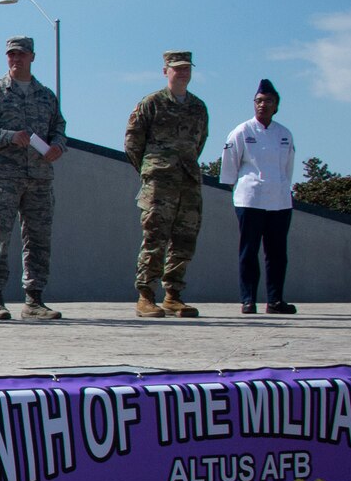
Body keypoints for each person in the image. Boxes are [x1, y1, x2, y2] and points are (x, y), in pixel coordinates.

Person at [0, 35, 66, 321]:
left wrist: (58, 145)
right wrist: (10, 137)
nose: (16, 60)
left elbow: (58, 127)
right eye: (11, 55)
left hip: (39, 177)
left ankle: (34, 300)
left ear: (32, 57)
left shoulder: (46, 95)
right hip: (4, 176)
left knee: (38, 238)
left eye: (21, 55)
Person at [124, 50, 210, 318]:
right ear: (165, 71)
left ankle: (173, 295)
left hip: (188, 182)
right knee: (155, 237)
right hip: (159, 184)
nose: (182, 72)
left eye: (186, 68)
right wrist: (151, 169)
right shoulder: (152, 103)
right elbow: (132, 142)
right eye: (177, 68)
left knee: (185, 240)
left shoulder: (198, 107)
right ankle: (146, 296)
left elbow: (200, 142)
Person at [219, 79, 297, 315]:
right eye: (259, 101)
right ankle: (248, 299)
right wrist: (235, 190)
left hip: (279, 201)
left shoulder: (284, 134)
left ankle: (275, 300)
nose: (263, 105)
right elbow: (230, 165)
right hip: (250, 199)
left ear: (276, 105)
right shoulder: (242, 131)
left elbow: (288, 167)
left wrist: (284, 187)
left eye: (268, 101)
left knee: (277, 253)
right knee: (249, 251)